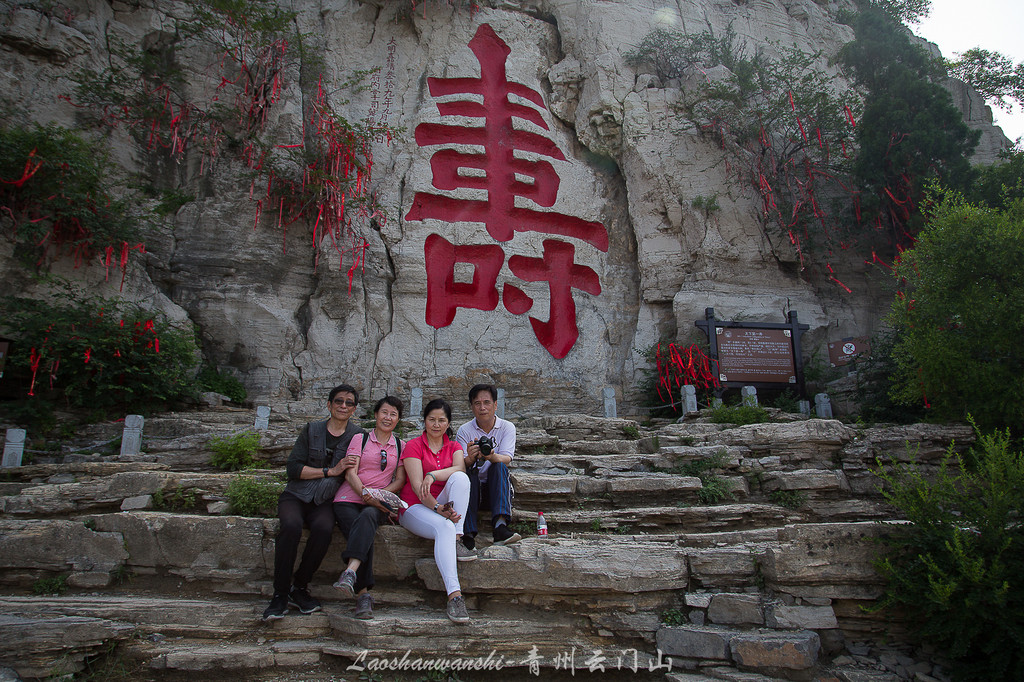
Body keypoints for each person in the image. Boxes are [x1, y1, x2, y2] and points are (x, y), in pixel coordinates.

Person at [262, 384, 364, 621]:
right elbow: (293, 469)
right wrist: (330, 471)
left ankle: (300, 587)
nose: (343, 406)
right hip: (296, 495)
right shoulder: (311, 430)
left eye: (349, 403)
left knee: (323, 529)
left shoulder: (358, 436)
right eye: (338, 401)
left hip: (326, 500)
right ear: (329, 405)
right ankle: (279, 593)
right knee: (290, 526)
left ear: (354, 409)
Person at [398, 398, 475, 623]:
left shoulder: (454, 446)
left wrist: (432, 475)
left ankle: (458, 536)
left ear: (448, 423)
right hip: (414, 506)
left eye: (442, 420)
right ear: (424, 421)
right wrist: (438, 508)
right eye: (431, 419)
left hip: (440, 501)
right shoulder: (414, 445)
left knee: (461, 478)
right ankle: (455, 596)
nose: (436, 424)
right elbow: (416, 487)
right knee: (443, 527)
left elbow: (460, 468)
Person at [332, 395, 408, 620]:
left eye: (393, 414)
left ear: (398, 419)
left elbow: (400, 480)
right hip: (348, 497)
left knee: (367, 518)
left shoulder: (400, 445)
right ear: (376, 415)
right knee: (362, 528)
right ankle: (363, 594)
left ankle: (350, 574)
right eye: (384, 412)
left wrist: (378, 495)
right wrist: (364, 492)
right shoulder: (360, 438)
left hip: (379, 501)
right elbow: (350, 472)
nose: (388, 417)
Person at [455, 384, 520, 551]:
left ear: (495, 405)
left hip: (495, 489)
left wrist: (491, 456)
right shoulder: (464, 430)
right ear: (471, 407)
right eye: (477, 403)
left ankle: (500, 527)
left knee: (498, 467)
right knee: (467, 474)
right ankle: (467, 533)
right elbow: (459, 464)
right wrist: (470, 458)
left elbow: (507, 458)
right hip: (473, 490)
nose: (482, 407)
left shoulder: (507, 427)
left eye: (487, 402)